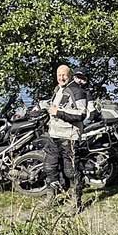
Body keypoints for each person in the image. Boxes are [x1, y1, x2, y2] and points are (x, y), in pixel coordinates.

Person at [43, 64, 89, 212]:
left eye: (64, 75)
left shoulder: (77, 91)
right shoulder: (58, 89)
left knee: (71, 171)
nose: (61, 78)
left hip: (69, 136)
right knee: (50, 168)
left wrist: (58, 112)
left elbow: (81, 115)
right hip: (54, 135)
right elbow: (53, 107)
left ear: (70, 75)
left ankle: (76, 202)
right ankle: (51, 197)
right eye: (59, 75)